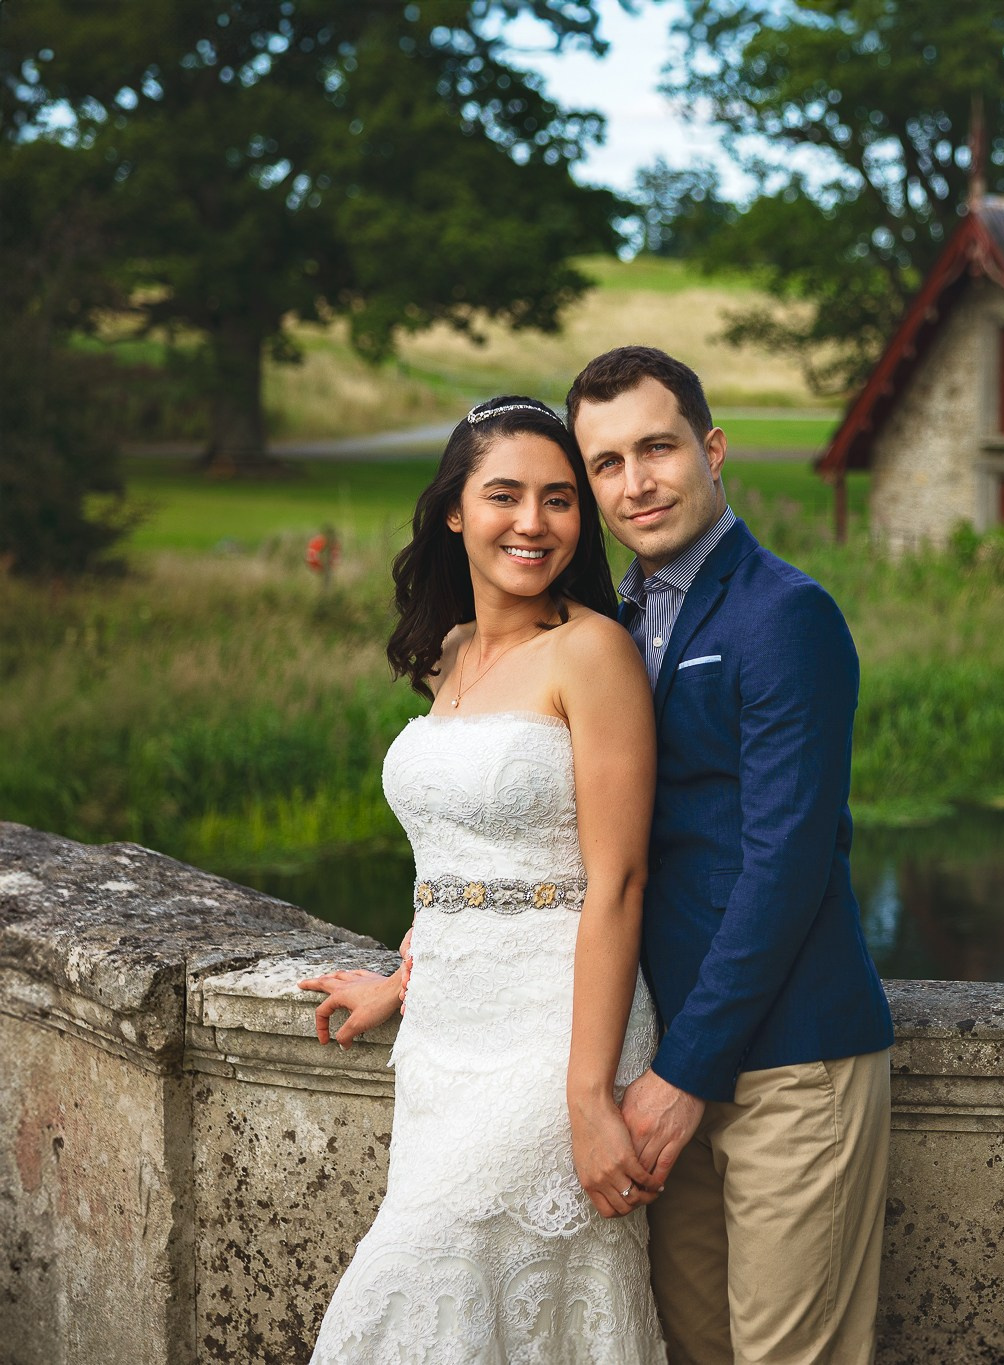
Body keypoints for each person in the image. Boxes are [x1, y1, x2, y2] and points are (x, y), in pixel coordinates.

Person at [297, 396, 667, 1362]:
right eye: (505, 495)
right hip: (445, 1039)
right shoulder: (448, 655)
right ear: (455, 510)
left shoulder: (592, 650)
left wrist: (590, 1097)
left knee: (407, 1287)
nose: (534, 522)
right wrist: (401, 978)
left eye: (558, 499)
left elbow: (617, 882)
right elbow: (461, 856)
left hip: (558, 1040)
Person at [566, 346, 895, 1365]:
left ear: (711, 451)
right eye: (607, 463)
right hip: (666, 1056)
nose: (636, 482)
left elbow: (784, 865)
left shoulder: (783, 615)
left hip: (792, 1059)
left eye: (657, 448)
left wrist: (683, 1073)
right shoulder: (609, 623)